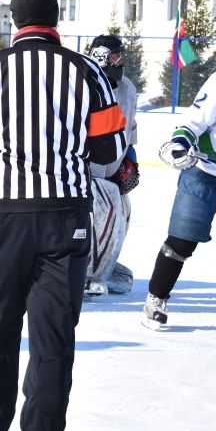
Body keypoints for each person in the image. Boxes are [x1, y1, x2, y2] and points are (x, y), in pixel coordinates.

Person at [0, 0, 127, 431]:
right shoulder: (86, 70)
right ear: (56, 21)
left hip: (2, 216)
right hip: (65, 217)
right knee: (54, 335)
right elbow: (110, 150)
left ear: (13, 21)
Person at [143, 69, 216, 330]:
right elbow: (194, 120)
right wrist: (181, 139)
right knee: (182, 239)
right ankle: (156, 299)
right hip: (206, 172)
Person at [85, 34, 139, 298]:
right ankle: (86, 275)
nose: (121, 61)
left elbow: (131, 128)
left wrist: (131, 158)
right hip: (85, 169)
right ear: (101, 56)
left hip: (113, 168)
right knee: (101, 212)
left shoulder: (127, 87)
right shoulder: (84, 82)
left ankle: (101, 268)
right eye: (116, 56)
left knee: (124, 211)